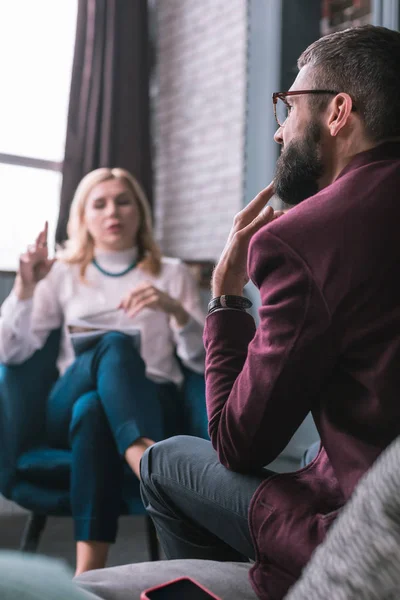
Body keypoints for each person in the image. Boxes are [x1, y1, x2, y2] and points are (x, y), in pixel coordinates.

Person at [76, 24, 400, 600]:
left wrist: (225, 295)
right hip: (361, 489)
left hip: (359, 532)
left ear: (338, 112)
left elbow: (235, 443)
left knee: (167, 460)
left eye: (289, 106)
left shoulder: (304, 238)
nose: (278, 130)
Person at [0, 167, 205, 575]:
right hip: (66, 400)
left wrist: (175, 310)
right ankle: (147, 464)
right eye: (101, 203)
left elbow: (202, 360)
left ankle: (88, 577)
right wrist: (23, 288)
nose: (113, 211)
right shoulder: (60, 273)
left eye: (123, 201)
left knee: (93, 411)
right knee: (111, 343)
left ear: (139, 213)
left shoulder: (172, 273)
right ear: (84, 218)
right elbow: (10, 350)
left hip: (153, 401)